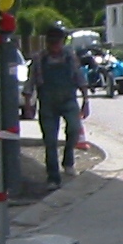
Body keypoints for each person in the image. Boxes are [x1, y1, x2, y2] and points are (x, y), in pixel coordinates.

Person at [22, 22, 90, 191]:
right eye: (51, 42)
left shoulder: (70, 57)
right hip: (47, 103)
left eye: (57, 42)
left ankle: (68, 161)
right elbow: (30, 83)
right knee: (50, 140)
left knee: (74, 129)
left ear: (62, 42)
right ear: (47, 42)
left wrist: (85, 101)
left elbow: (80, 78)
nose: (55, 46)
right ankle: (53, 177)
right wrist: (28, 105)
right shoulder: (39, 59)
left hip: (68, 101)